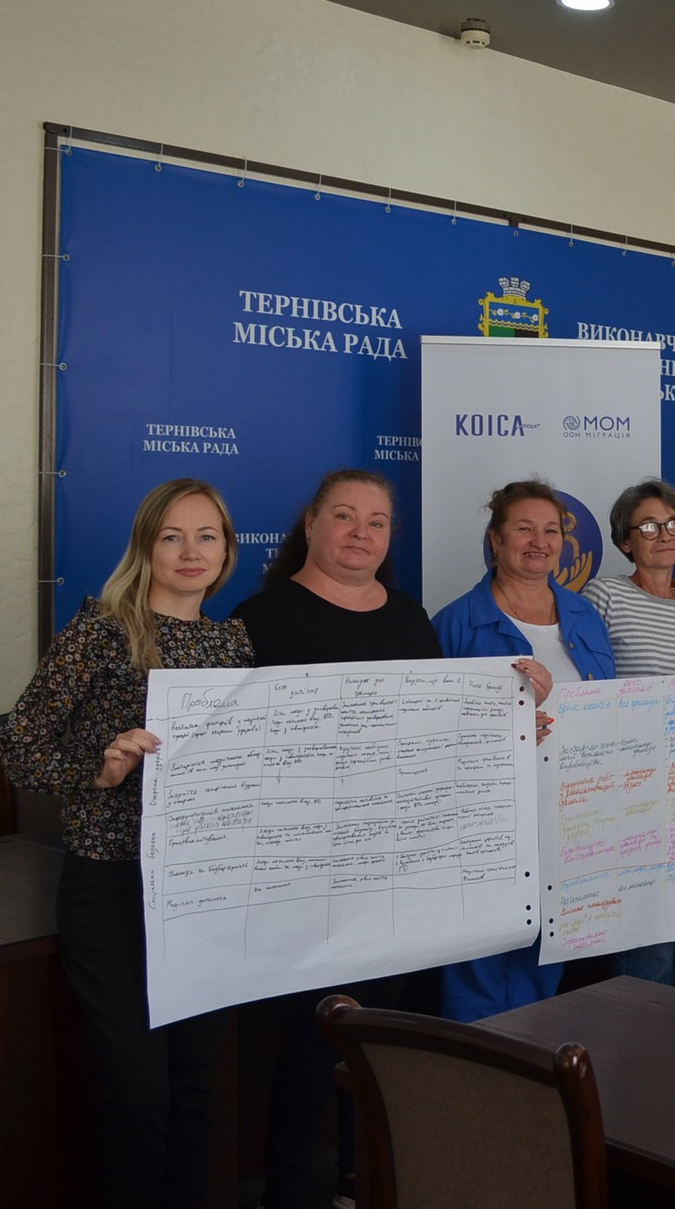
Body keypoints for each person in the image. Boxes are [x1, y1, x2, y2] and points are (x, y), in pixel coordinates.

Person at [0, 478, 253, 1208]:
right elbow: (19, 748)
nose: (191, 550)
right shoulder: (102, 631)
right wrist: (99, 767)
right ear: (146, 547)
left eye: (207, 536)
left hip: (201, 894)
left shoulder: (234, 643)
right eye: (172, 536)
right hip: (111, 890)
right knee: (138, 1096)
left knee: (193, 1088)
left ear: (227, 551)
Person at [231, 469, 449, 1209]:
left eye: (377, 521)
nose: (361, 533)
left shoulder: (410, 617)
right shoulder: (260, 618)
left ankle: (362, 1179)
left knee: (380, 1034)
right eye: (345, 516)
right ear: (312, 524)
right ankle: (290, 1190)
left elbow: (439, 730)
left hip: (396, 866)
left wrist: (518, 717)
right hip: (303, 871)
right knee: (308, 1039)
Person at [435, 479, 613, 1018]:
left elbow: (608, 708)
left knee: (545, 950)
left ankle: (530, 1058)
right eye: (524, 529)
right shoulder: (454, 623)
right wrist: (502, 726)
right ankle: (470, 1061)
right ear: (495, 539)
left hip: (569, 813)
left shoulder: (585, 616)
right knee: (478, 953)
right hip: (485, 818)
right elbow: (432, 733)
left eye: (551, 531)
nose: (540, 542)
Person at [580, 477, 675, 985]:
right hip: (623, 782)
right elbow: (584, 685)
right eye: (649, 526)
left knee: (665, 923)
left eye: (674, 524)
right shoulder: (604, 594)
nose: (664, 534)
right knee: (643, 935)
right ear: (626, 541)